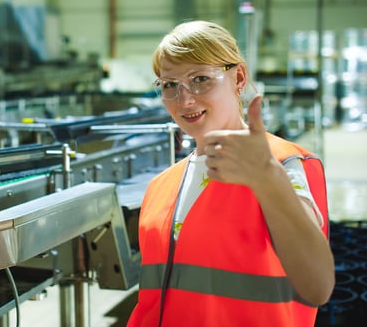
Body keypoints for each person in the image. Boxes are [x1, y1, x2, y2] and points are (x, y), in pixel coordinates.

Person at [127, 20, 334, 326]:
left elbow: (317, 286)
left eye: (200, 79)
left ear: (237, 78)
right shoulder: (161, 187)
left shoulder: (282, 165)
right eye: (170, 84)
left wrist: (268, 180)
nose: (185, 100)